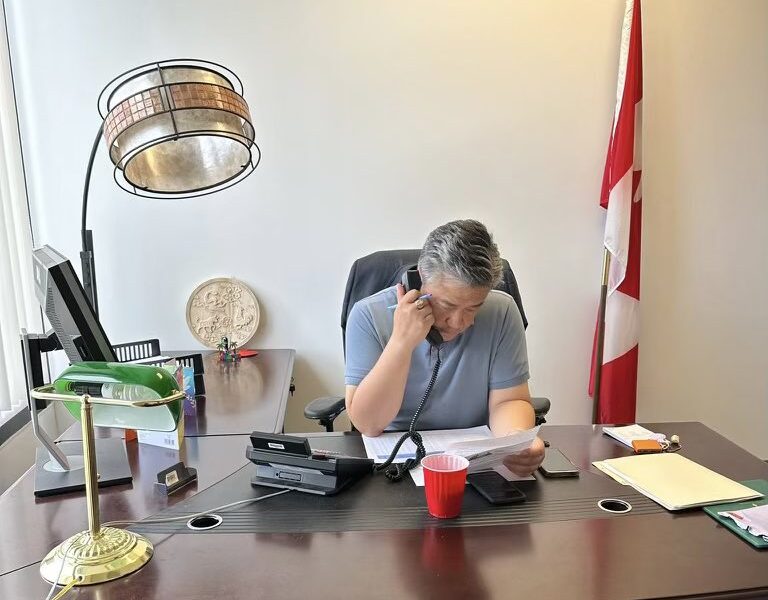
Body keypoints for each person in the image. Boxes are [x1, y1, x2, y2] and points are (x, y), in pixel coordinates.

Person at [344, 219, 545, 477]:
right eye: (447, 306)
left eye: (474, 307)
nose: (460, 322)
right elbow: (368, 424)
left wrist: (515, 441)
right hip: (394, 466)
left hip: (474, 465)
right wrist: (401, 343)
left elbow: (510, 400)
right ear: (418, 284)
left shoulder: (502, 311)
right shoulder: (367, 316)